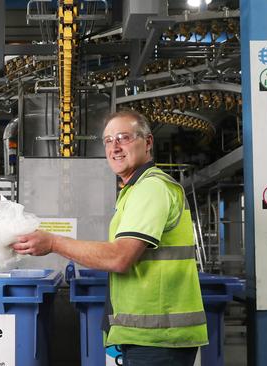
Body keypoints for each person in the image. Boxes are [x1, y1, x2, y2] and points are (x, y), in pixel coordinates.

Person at [12, 110, 208, 365]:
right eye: (108, 140)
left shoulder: (151, 188)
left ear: (148, 142)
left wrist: (53, 242)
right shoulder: (134, 190)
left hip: (159, 338)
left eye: (123, 138)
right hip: (148, 336)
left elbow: (119, 257)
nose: (114, 147)